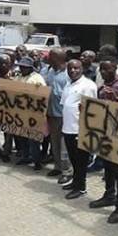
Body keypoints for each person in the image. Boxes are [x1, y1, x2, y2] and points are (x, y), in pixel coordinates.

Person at [89, 56, 118, 223]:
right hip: (105, 132)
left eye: (106, 69)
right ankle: (109, 195)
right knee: (107, 167)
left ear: (115, 68)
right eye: (101, 69)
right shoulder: (102, 86)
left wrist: (117, 98)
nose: (103, 72)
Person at [61, 59, 97, 200]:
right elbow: (65, 105)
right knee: (73, 160)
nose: (73, 71)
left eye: (76, 68)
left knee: (81, 161)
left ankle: (80, 188)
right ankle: (75, 182)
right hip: (68, 128)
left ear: (82, 69)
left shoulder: (88, 86)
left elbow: (91, 110)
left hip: (80, 130)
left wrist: (86, 131)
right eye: (70, 68)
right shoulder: (68, 84)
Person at [13, 57, 47, 170]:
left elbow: (43, 93)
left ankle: (37, 161)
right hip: (21, 112)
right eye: (21, 66)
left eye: (24, 67)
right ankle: (25, 156)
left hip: (33, 113)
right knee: (22, 136)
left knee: (34, 139)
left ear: (30, 68)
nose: (22, 68)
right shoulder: (18, 77)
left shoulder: (37, 78)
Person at [45, 48, 72, 184]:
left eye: (50, 56)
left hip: (64, 115)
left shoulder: (69, 73)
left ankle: (67, 172)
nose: (47, 57)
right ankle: (58, 166)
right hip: (51, 113)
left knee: (64, 146)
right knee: (54, 142)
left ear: (56, 58)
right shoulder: (50, 71)